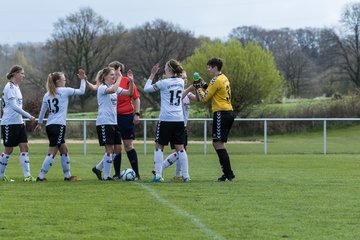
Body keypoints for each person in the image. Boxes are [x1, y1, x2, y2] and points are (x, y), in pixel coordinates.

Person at [87, 61, 141, 180]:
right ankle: (107, 176)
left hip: (113, 122)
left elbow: (129, 93)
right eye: (111, 75)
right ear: (104, 77)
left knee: (117, 149)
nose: (114, 76)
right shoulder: (102, 88)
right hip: (104, 122)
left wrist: (131, 81)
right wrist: (120, 78)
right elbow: (113, 90)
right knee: (109, 149)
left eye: (114, 74)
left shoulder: (114, 88)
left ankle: (98, 168)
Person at [34, 69, 87, 182]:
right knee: (53, 151)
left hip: (50, 125)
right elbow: (82, 91)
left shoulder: (47, 94)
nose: (65, 81)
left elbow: (43, 111)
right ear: (58, 81)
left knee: (64, 150)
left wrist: (39, 124)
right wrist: (82, 80)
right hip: (58, 126)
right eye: (64, 79)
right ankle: (41, 177)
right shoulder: (64, 91)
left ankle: (67, 176)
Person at [144, 59, 190, 182]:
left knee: (159, 146)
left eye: (165, 67)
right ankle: (186, 176)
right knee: (180, 148)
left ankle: (158, 175)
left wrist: (152, 74)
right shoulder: (181, 81)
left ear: (169, 69)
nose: (164, 69)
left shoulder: (163, 82)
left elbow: (146, 89)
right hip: (179, 119)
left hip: (166, 119)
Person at [193, 58, 235, 181]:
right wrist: (203, 83)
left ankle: (228, 174)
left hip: (221, 113)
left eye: (209, 67)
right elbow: (212, 90)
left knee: (218, 143)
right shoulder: (223, 78)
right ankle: (228, 173)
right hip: (229, 112)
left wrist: (197, 87)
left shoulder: (216, 80)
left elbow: (204, 98)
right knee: (218, 143)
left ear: (215, 67)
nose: (208, 69)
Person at [156, 71, 197, 181]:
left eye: (186, 77)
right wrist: (189, 88)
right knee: (179, 150)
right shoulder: (176, 91)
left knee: (181, 150)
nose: (185, 79)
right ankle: (167, 171)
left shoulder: (187, 94)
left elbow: (198, 99)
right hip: (173, 123)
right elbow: (179, 97)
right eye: (183, 77)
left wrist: (197, 87)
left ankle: (177, 175)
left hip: (182, 125)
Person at [0, 65, 36, 182]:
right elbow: (14, 106)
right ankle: (1, 175)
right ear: (15, 74)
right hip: (9, 124)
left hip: (19, 123)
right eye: (22, 73)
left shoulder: (17, 87)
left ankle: (27, 176)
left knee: (24, 147)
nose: (23, 76)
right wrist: (29, 116)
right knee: (8, 150)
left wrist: (23, 118)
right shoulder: (9, 87)